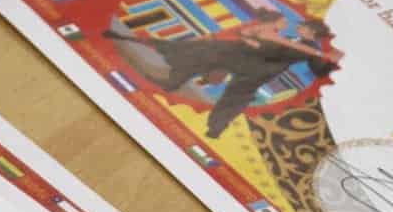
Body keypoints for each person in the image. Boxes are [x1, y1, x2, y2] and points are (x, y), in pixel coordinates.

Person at [105, 8, 338, 138]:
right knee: (203, 52)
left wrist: (331, 66)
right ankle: (172, 80)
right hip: (245, 57)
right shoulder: (290, 38)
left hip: (257, 71)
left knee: (234, 97)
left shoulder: (310, 48)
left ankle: (215, 128)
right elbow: (265, 45)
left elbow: (318, 69)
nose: (299, 26)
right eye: (300, 25)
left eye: (303, 26)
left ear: (311, 32)